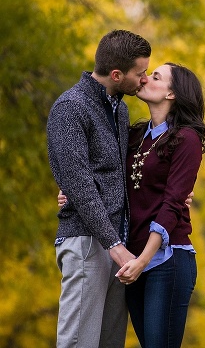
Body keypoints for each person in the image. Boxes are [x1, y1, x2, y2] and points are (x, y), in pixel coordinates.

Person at [48, 29, 151, 347]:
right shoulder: (70, 108)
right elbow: (79, 182)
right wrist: (114, 245)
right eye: (140, 73)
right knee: (78, 342)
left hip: (113, 245)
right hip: (86, 244)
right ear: (117, 74)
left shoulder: (119, 110)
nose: (144, 79)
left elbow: (118, 175)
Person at [114, 62, 205, 348]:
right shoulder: (135, 137)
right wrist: (73, 191)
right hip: (134, 261)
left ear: (172, 94)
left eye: (155, 76)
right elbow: (108, 175)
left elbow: (171, 204)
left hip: (165, 261)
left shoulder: (187, 139)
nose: (145, 78)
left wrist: (143, 260)